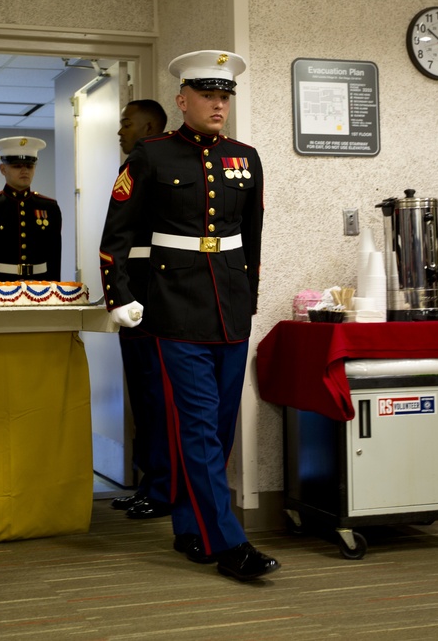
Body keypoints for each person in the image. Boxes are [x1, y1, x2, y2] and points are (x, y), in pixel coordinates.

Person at [98, 50, 280, 581]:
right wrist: (120, 296)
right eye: (207, 95)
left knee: (218, 429)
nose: (219, 103)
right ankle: (228, 542)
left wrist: (247, 296)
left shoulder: (246, 157)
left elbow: (252, 238)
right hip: (172, 306)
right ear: (183, 100)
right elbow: (117, 235)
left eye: (225, 95)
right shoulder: (151, 156)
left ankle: (191, 527)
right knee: (198, 427)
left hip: (229, 308)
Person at [107, 100, 174, 520]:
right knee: (142, 395)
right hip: (135, 293)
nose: (120, 130)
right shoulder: (135, 164)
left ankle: (164, 487)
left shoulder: (158, 163)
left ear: (148, 125)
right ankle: (150, 482)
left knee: (156, 396)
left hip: (155, 293)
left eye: (126, 123)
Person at [0, 136, 62, 281]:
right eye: (17, 166)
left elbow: (54, 256)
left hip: (40, 285)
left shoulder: (48, 207)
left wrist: (54, 290)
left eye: (29, 166)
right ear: (3, 169)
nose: (24, 170)